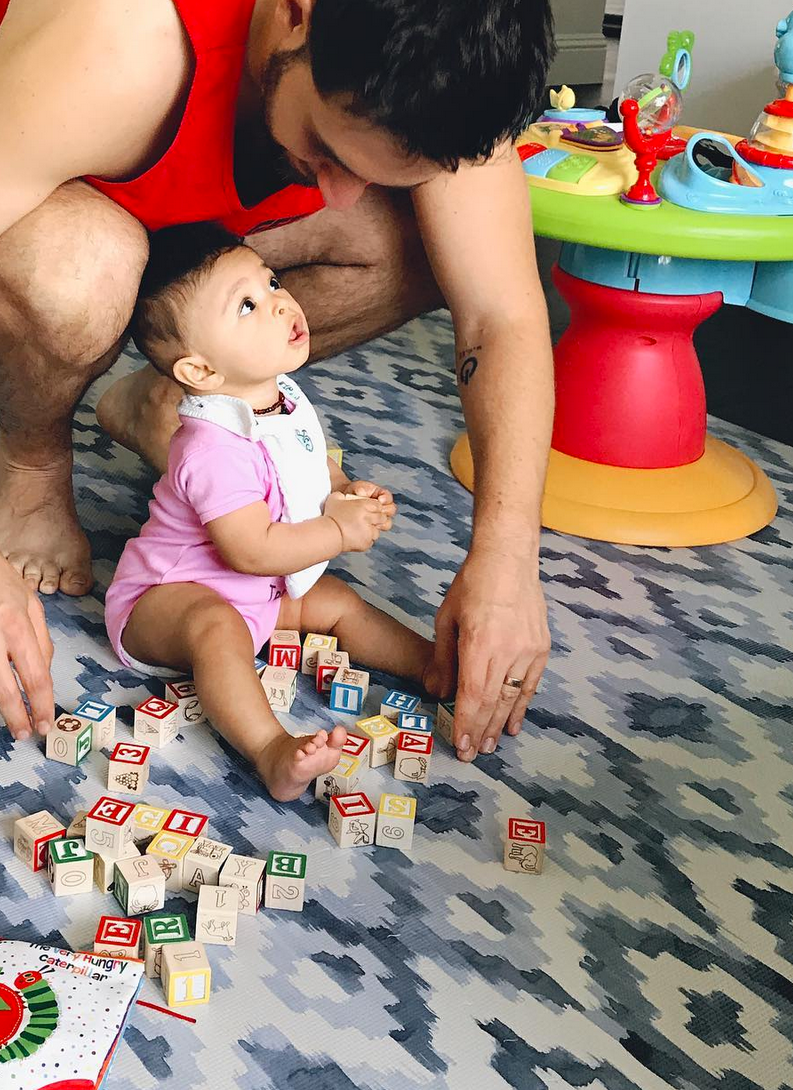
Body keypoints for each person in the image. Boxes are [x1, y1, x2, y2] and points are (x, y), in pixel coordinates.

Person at [0, 0, 555, 763]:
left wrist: (506, 556)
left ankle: (184, 401)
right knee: (78, 273)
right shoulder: (118, 38)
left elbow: (501, 316)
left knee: (432, 243)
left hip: (216, 263)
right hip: (58, 200)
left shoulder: (452, 61)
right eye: (326, 150)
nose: (338, 195)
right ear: (296, 12)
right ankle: (28, 460)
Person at [105, 222, 434, 800]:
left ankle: (432, 665)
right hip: (164, 598)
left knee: (338, 604)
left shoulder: (281, 394)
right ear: (201, 373)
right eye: (250, 305)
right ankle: (269, 748)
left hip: (260, 594)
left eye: (273, 281)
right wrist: (336, 533)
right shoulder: (210, 448)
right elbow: (249, 549)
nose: (282, 303)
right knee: (217, 627)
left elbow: (309, 465)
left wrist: (345, 490)